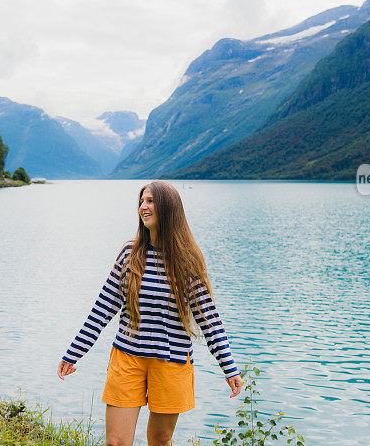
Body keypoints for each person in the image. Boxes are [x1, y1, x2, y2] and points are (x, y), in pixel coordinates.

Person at [57, 181, 243, 446]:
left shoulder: (188, 259)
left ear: (169, 208)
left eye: (151, 201)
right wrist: (74, 352)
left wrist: (229, 367)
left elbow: (209, 319)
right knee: (116, 442)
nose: (144, 207)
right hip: (127, 357)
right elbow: (102, 309)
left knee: (160, 440)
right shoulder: (129, 253)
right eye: (142, 201)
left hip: (171, 362)